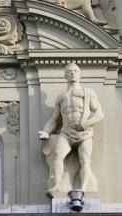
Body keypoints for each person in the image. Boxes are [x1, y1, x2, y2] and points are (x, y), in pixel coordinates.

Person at [38, 63, 104, 195]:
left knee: (85, 160)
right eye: (69, 71)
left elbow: (99, 114)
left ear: (80, 74)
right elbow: (54, 119)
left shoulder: (88, 93)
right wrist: (46, 131)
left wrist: (86, 124)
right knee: (57, 155)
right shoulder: (61, 97)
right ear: (65, 75)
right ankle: (57, 185)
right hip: (66, 132)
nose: (72, 72)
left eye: (75, 70)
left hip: (84, 132)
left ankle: (84, 188)